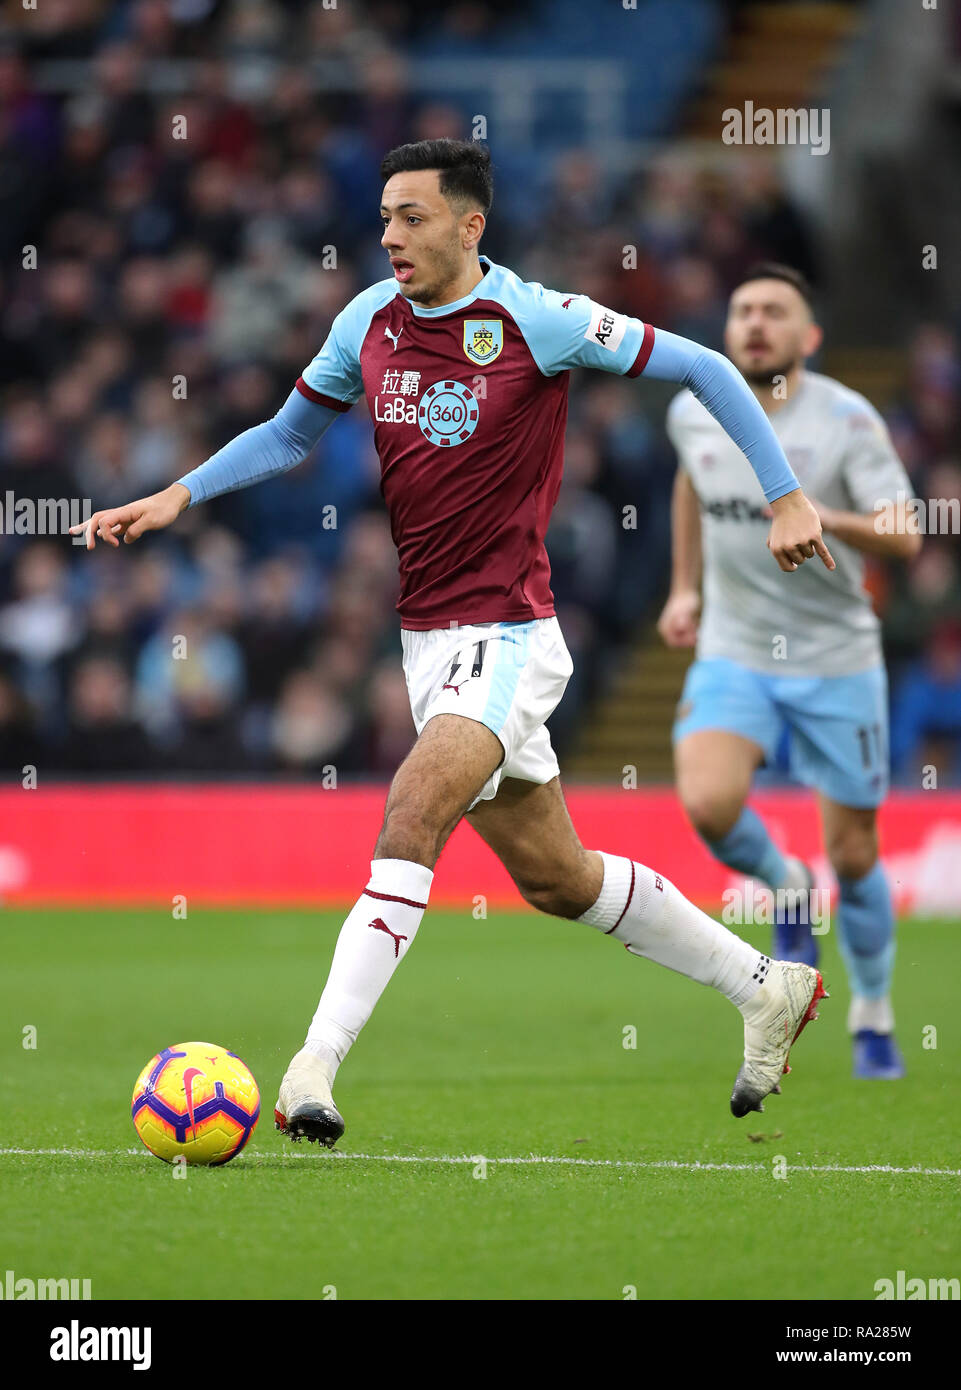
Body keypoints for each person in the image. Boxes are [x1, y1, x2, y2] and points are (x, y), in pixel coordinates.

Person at [72, 141, 834, 1142]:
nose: (389, 235)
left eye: (414, 217)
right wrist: (179, 493)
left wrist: (783, 496)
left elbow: (700, 366)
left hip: (510, 632)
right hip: (429, 644)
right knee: (558, 878)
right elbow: (290, 433)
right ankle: (763, 984)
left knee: (409, 812)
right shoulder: (367, 321)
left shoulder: (540, 319)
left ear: (470, 226)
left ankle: (311, 1068)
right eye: (384, 215)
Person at [658, 263, 920, 1080]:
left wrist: (806, 509)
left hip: (836, 657)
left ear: (807, 337)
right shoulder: (689, 409)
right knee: (706, 802)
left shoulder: (847, 419)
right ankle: (785, 883)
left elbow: (905, 533)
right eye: (741, 311)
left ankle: (872, 1015)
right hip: (735, 648)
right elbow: (687, 488)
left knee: (854, 852)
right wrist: (683, 588)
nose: (755, 324)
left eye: (775, 312)